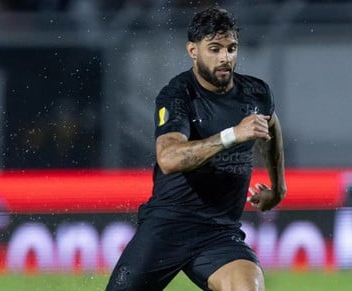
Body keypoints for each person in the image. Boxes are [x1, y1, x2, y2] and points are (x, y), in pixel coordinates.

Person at [106, 5, 287, 291]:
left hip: (219, 232)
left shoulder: (256, 93)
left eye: (231, 48)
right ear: (193, 51)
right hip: (167, 227)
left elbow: (271, 126)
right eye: (214, 49)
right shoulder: (178, 95)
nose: (225, 58)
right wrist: (232, 135)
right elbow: (168, 158)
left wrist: (278, 189)